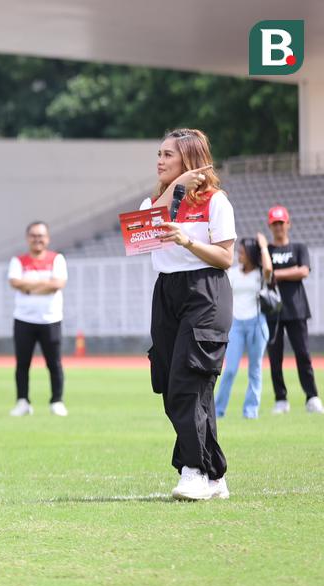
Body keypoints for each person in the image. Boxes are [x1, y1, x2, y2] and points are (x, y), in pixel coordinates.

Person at [141, 128, 236, 501]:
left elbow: (225, 257)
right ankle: (215, 474)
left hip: (205, 292)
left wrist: (188, 240)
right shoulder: (154, 201)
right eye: (159, 153)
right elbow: (138, 236)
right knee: (173, 384)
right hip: (166, 291)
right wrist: (174, 187)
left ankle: (192, 470)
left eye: (169, 155)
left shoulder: (216, 201)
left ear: (190, 160)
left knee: (188, 381)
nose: (160, 160)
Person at [264, 205, 322, 414]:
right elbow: (264, 272)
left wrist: (276, 274)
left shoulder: (298, 248)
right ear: (270, 226)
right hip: (272, 311)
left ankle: (312, 397)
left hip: (297, 308)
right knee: (275, 356)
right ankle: (281, 399)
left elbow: (304, 271)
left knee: (303, 354)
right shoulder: (267, 251)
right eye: (275, 223)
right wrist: (264, 249)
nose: (278, 227)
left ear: (288, 224)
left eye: (282, 223)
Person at [7, 221, 68, 417]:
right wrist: (45, 284)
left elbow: (58, 283)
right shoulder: (18, 261)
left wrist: (30, 286)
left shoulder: (56, 259)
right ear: (27, 239)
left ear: (47, 238)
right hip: (23, 319)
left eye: (41, 236)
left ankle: (57, 401)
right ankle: (22, 401)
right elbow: (15, 282)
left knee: (54, 363)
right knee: (22, 363)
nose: (37, 239)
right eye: (33, 236)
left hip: (50, 319)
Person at [215, 235, 273, 419]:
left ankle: (250, 411)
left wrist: (263, 246)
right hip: (237, 324)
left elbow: (269, 269)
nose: (239, 255)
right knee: (230, 369)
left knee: (255, 369)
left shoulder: (260, 274)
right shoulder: (233, 273)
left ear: (251, 254)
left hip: (257, 323)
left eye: (242, 252)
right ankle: (218, 411)